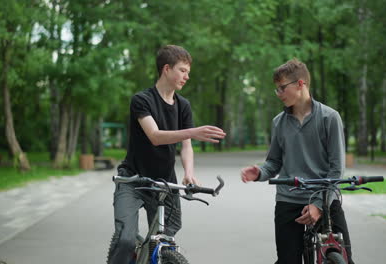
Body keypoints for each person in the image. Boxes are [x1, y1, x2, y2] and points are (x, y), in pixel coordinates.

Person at [107, 45, 226, 264]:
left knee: (166, 239)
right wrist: (194, 131)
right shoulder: (142, 100)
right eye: (182, 70)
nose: (187, 76)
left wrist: (189, 173)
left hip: (164, 183)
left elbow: (186, 146)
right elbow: (155, 135)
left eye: (188, 72)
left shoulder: (183, 106)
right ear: (166, 69)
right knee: (124, 241)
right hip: (133, 180)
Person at [240, 58, 354, 264]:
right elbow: (273, 162)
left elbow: (337, 168)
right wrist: (259, 172)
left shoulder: (330, 117)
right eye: (277, 89)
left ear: (300, 83)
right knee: (287, 260)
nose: (279, 94)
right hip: (289, 200)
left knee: (346, 259)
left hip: (325, 198)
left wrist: (319, 205)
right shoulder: (279, 122)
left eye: (282, 88)